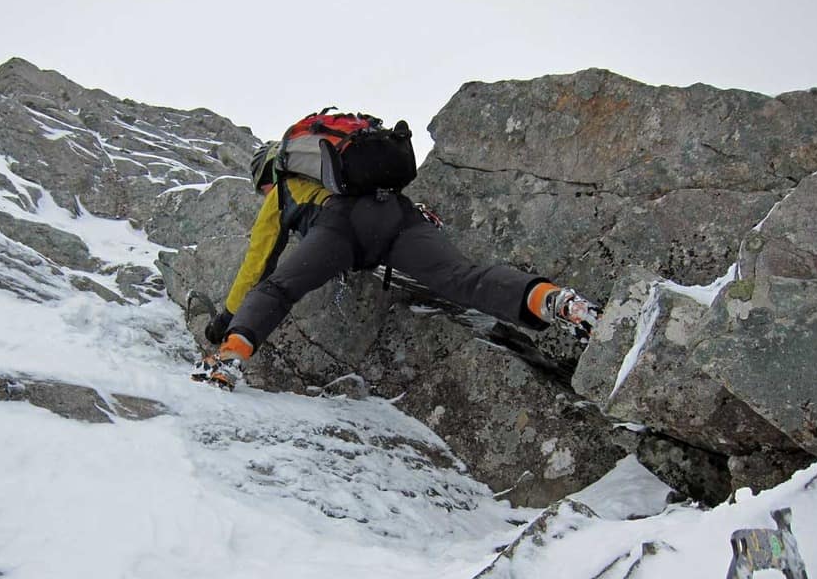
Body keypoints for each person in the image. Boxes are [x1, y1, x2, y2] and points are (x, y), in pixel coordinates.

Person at [192, 137, 600, 390]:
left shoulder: (282, 185)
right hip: (399, 214)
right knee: (462, 279)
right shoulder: (343, 163)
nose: (264, 192)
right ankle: (556, 300)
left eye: (262, 185)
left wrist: (227, 317)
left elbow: (257, 265)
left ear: (268, 172)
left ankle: (230, 357)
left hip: (339, 228)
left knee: (278, 289)